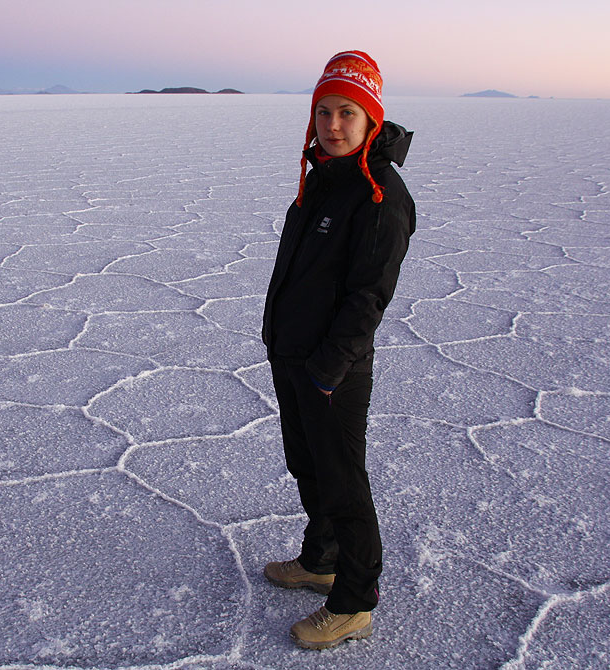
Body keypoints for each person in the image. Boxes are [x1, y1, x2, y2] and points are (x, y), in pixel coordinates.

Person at [261, 50, 415, 650]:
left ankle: (353, 599)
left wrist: (327, 368)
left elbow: (367, 298)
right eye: (323, 111)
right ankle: (320, 559)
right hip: (293, 356)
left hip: (334, 370)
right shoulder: (322, 176)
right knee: (308, 467)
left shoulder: (381, 198)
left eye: (347, 112)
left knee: (344, 483)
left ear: (370, 119)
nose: (333, 125)